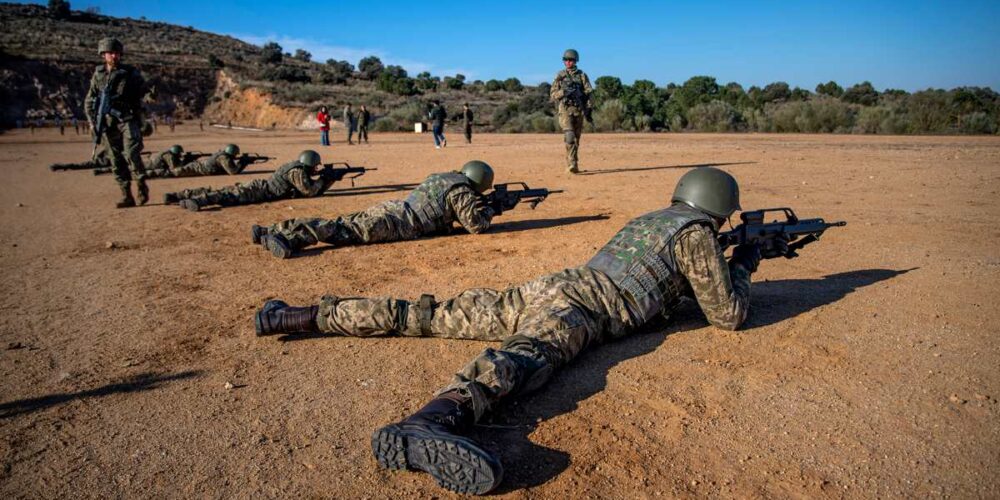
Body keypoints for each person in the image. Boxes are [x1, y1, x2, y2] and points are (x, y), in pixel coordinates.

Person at [253, 167, 784, 494]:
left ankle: (295, 315)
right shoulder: (696, 235)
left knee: (427, 313)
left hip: (551, 287)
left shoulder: (654, 219)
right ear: (719, 207)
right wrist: (745, 264)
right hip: (582, 308)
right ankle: (433, 419)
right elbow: (727, 314)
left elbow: (659, 280)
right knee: (527, 356)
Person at [253, 161, 497, 259]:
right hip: (399, 223)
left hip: (394, 208)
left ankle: (273, 229)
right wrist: (492, 210)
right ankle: (290, 238)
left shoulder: (446, 177)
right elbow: (474, 225)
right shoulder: (461, 191)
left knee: (342, 222)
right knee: (343, 231)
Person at [84, 37, 149, 208]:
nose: (114, 56)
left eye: (117, 53)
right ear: (103, 55)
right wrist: (93, 122)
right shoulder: (98, 74)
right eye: (110, 53)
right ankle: (126, 195)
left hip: (127, 119)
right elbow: (89, 101)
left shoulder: (130, 73)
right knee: (115, 160)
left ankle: (141, 186)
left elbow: (144, 91)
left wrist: (150, 95)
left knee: (132, 155)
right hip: (107, 123)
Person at [163, 150, 335, 211]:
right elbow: (309, 191)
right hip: (259, 191)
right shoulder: (297, 171)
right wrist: (326, 179)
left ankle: (177, 196)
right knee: (227, 196)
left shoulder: (296, 167)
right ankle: (196, 200)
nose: (316, 169)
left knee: (227, 191)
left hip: (260, 187)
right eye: (315, 166)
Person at [549, 48, 593, 174]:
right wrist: (563, 92)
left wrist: (589, 108)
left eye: (571, 60)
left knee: (576, 140)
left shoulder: (582, 75)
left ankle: (573, 163)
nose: (568, 62)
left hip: (579, 110)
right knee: (570, 137)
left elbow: (589, 93)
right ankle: (572, 163)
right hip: (565, 110)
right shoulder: (560, 76)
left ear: (575, 61)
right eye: (566, 60)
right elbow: (552, 95)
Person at [166, 144, 248, 177]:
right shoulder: (224, 157)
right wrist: (243, 163)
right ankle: (155, 173)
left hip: (200, 167)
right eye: (235, 154)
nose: (236, 155)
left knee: (176, 171)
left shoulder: (224, 155)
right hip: (198, 168)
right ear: (232, 152)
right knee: (174, 172)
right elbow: (232, 172)